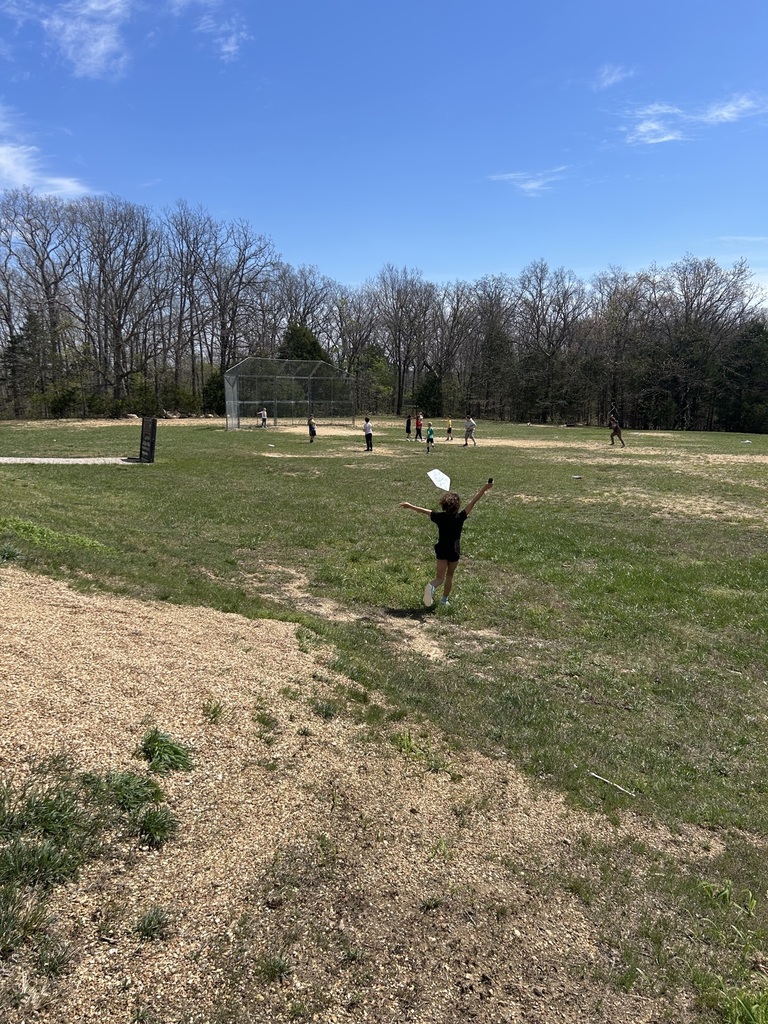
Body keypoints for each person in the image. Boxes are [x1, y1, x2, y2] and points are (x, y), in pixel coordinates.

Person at [399, 480, 493, 607]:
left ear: (443, 506)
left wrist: (410, 505)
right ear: (457, 506)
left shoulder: (439, 517)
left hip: (441, 549)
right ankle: (444, 600)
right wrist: (484, 488)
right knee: (450, 575)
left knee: (439, 577)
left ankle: (431, 587)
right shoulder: (460, 517)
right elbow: (473, 501)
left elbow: (424, 511)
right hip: (454, 551)